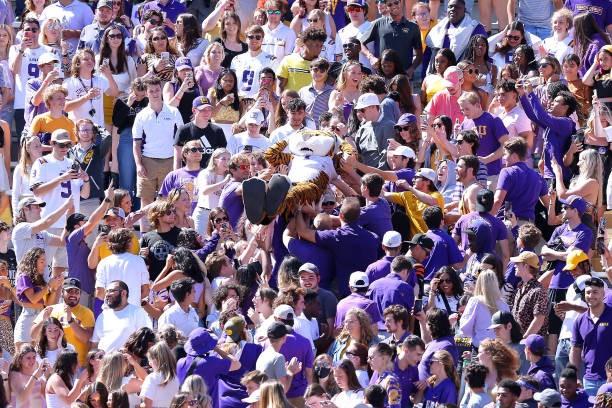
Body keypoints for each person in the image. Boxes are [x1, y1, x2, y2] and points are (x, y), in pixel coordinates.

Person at [30, 129, 90, 274]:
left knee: (61, 269)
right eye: (61, 145)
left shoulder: (73, 163)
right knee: (41, 267)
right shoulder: (42, 162)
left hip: (69, 224)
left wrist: (86, 179)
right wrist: (60, 179)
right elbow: (37, 191)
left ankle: (56, 297)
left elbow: (85, 194)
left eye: (67, 145)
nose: (64, 149)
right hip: (49, 221)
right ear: (52, 144)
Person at [295, 197, 379, 298]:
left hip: (346, 296)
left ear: (340, 215)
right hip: (370, 295)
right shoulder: (374, 238)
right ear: (359, 216)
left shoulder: (336, 236)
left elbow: (303, 232)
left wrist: (298, 209)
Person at [133, 76, 184, 218]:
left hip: (170, 160)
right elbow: (136, 143)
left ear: (161, 90)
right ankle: (145, 235)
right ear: (146, 93)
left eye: (157, 90)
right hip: (147, 160)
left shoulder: (174, 112)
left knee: (168, 201)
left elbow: (181, 141)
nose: (154, 94)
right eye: (151, 91)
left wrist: (177, 165)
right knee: (146, 200)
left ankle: (165, 233)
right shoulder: (141, 115)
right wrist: (138, 165)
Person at [30, 278, 94, 367]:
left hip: (77, 365)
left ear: (80, 295)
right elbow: (33, 335)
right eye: (70, 291)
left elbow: (85, 338)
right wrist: (43, 321)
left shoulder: (87, 312)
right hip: (51, 364)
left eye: (76, 292)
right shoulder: (50, 310)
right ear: (62, 292)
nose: (73, 295)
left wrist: (71, 320)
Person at [9, 17, 53, 137]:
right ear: (22, 32)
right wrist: (22, 49)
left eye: (34, 30)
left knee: (44, 142)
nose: (31, 33)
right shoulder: (15, 49)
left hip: (45, 103)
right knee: (23, 143)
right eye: (27, 30)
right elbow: (15, 70)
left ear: (39, 31)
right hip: (23, 103)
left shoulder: (50, 50)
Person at [177, 328, 242, 407]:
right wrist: (216, 348)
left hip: (188, 405)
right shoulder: (210, 363)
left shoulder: (180, 363)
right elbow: (236, 364)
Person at [457, 90, 510, 188]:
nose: (464, 113)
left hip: (491, 175)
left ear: (477, 105)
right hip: (470, 177)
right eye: (462, 110)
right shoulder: (465, 123)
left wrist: (485, 160)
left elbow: (506, 146)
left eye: (467, 109)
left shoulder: (493, 120)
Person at [570, 277, 612, 396]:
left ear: (603, 294)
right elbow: (575, 350)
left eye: (595, 292)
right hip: (589, 381)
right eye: (588, 292)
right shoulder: (580, 320)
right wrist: (576, 377)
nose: (591, 296)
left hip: (610, 380)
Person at [360, 0, 422, 79]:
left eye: (396, 2)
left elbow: (419, 55)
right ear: (386, 6)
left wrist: (412, 69)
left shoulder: (413, 27)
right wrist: (370, 57)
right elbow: (360, 43)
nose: (393, 6)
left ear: (401, 3)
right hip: (382, 77)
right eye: (389, 4)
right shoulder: (378, 23)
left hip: (404, 77)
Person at [492, 137, 549, 223]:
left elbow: (497, 200)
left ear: (514, 156)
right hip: (528, 228)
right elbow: (548, 203)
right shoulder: (538, 177)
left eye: (505, 154)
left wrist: (488, 218)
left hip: (509, 224)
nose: (503, 158)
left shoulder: (507, 172)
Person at [90, 280, 152, 352]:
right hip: (103, 362)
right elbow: (94, 344)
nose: (107, 294)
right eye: (106, 291)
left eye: (111, 291)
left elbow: (147, 341)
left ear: (123, 293)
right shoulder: (102, 316)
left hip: (127, 361)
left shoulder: (138, 312)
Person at [383, 167, 445, 237]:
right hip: (414, 244)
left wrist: (409, 187)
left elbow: (431, 202)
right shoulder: (407, 195)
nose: (413, 180)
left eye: (416, 177)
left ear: (428, 181)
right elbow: (384, 195)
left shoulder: (437, 195)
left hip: (432, 242)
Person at [95, 228, 149, 306]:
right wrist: (132, 301)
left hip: (110, 313)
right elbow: (146, 291)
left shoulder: (103, 263)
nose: (132, 243)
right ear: (128, 243)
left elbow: (100, 294)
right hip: (133, 311)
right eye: (131, 241)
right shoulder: (139, 261)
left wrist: (114, 304)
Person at [460, 270, 510, 350]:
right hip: (501, 348)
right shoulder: (504, 304)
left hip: (482, 348)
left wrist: (475, 335)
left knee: (458, 339)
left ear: (479, 283)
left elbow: (465, 328)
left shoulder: (475, 301)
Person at [425, 0, 486, 64]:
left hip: (464, 70)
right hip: (438, 70)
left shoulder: (475, 28)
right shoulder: (437, 29)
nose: (453, 9)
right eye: (450, 7)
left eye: (457, 7)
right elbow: (427, 56)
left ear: (465, 10)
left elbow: (484, 54)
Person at [230, 24, 277, 99]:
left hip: (260, 102)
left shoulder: (271, 60)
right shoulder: (237, 59)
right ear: (246, 39)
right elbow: (231, 83)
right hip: (239, 102)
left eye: (258, 37)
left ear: (262, 39)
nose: (254, 40)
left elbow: (275, 85)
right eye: (251, 37)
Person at [353, 92, 395, 170]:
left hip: (379, 176)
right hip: (363, 173)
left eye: (362, 110)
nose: (360, 114)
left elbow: (386, 157)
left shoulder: (388, 126)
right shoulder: (363, 127)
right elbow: (356, 153)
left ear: (373, 107)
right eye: (358, 110)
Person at [511, 252, 549, 337]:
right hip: (519, 342)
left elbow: (539, 320)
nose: (515, 265)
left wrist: (525, 339)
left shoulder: (538, 291)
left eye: (518, 263)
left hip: (531, 345)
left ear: (526, 266)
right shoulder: (519, 288)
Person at [423, 207, 464, 281]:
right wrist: (469, 253)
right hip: (439, 285)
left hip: (421, 285)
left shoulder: (420, 238)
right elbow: (457, 266)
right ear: (442, 221)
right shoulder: (447, 239)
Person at [417, 308, 459, 380]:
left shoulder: (447, 346)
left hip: (435, 390)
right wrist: (422, 320)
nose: (425, 325)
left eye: (426, 322)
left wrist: (427, 384)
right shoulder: (436, 342)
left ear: (431, 326)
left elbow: (447, 376)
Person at [140, 342, 180, 408]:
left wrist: (140, 405)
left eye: (150, 361)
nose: (149, 364)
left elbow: (147, 405)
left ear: (155, 361)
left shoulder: (151, 378)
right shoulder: (175, 377)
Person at [299, 58, 334, 128]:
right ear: (310, 70)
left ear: (327, 71)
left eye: (322, 70)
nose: (318, 73)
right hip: (304, 131)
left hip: (324, 132)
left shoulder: (332, 92)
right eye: (315, 70)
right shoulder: (302, 91)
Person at [369, 343, 402, 408]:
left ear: (383, 358)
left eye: (371, 357)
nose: (368, 361)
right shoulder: (379, 378)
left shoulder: (390, 380)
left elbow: (395, 406)